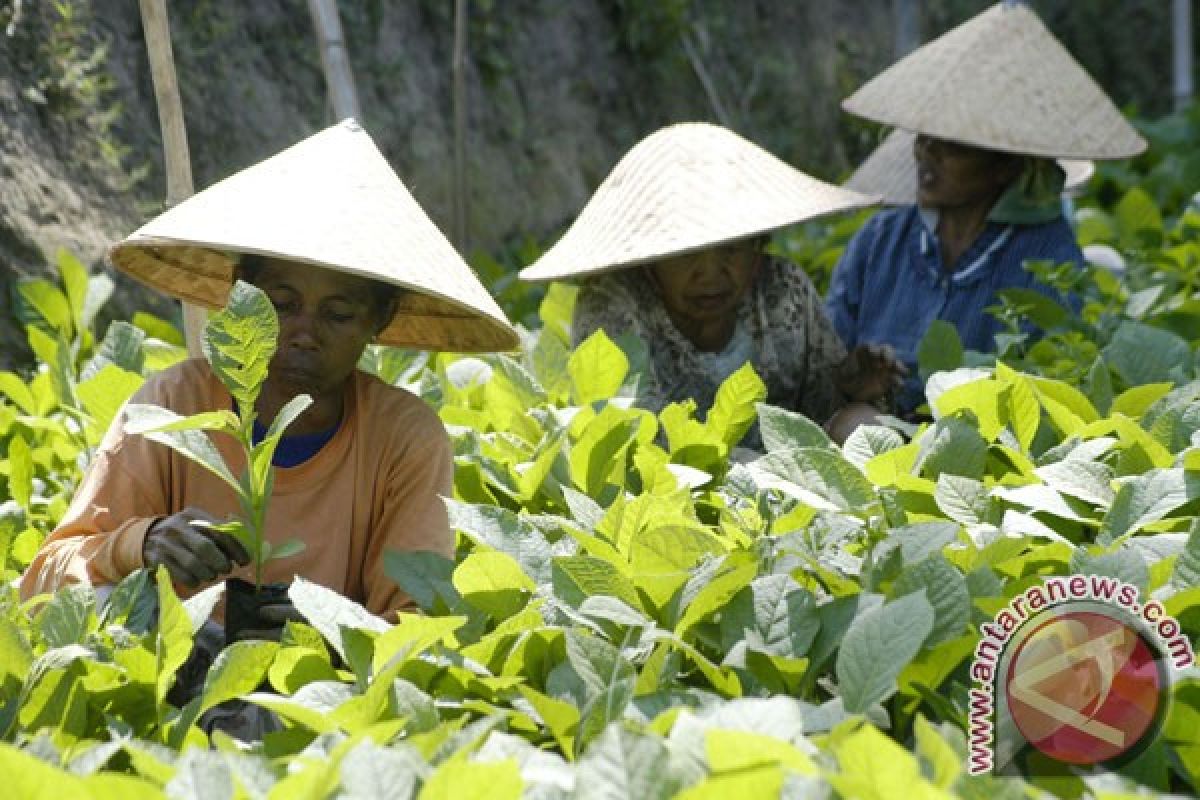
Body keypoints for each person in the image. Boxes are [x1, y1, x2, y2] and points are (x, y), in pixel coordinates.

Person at [20, 120, 519, 633]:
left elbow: (416, 625)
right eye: (282, 305)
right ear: (243, 294)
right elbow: (44, 582)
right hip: (169, 672)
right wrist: (140, 544)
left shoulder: (404, 439)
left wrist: (330, 630)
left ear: (380, 320)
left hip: (317, 698)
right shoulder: (171, 406)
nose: (305, 333)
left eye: (338, 314)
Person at [827, 2, 1146, 418]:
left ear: (1005, 165)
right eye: (925, 136)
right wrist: (853, 377)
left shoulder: (1046, 258)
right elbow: (824, 359)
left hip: (979, 452)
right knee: (856, 424)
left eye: (952, 144)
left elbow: (1040, 392)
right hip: (863, 439)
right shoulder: (879, 242)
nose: (926, 153)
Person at [519, 122, 905, 443]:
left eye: (732, 251)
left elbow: (825, 411)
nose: (711, 273)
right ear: (651, 261)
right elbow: (628, 438)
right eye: (687, 255)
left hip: (791, 483)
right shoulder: (612, 303)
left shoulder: (783, 291)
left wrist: (854, 385)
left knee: (862, 424)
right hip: (669, 494)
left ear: (758, 249)